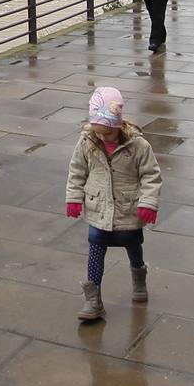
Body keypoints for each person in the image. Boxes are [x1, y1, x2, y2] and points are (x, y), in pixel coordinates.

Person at [65, 86, 163, 319]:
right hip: (98, 208)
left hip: (129, 209)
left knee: (132, 245)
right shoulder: (88, 141)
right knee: (96, 249)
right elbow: (77, 170)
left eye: (107, 134)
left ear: (118, 126)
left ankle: (139, 277)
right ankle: (93, 300)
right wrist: (73, 197)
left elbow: (151, 175)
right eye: (98, 132)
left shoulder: (138, 146)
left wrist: (148, 203)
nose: (102, 137)